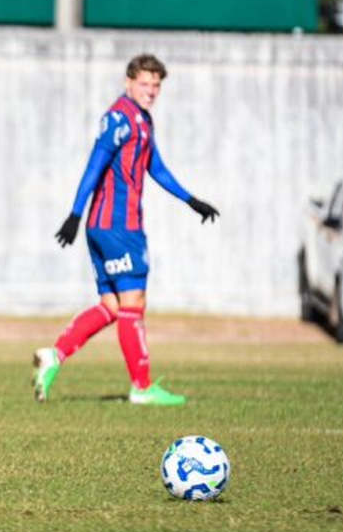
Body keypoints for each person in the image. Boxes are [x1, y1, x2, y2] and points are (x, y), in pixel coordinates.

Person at [33, 54, 218, 406]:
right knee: (135, 302)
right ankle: (142, 387)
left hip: (109, 226)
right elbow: (95, 163)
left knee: (113, 305)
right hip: (117, 226)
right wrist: (73, 213)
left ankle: (53, 357)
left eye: (156, 85)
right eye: (144, 84)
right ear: (128, 82)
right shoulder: (119, 118)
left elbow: (157, 168)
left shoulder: (142, 120)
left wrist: (191, 200)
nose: (150, 91)